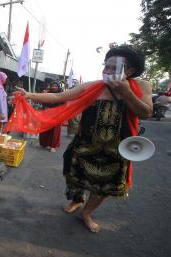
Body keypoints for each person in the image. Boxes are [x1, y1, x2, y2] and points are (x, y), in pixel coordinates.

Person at [12, 46, 152, 233]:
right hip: (85, 146)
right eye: (106, 66)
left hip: (117, 150)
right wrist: (28, 95)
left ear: (130, 71)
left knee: (104, 188)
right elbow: (58, 96)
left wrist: (126, 93)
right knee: (76, 177)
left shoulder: (141, 87)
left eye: (113, 68)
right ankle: (77, 200)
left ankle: (86, 213)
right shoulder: (93, 86)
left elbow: (146, 112)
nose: (107, 71)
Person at [38, 81, 63, 152]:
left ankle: (53, 146)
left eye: (56, 86)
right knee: (45, 129)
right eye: (53, 86)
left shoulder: (62, 94)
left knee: (55, 131)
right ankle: (45, 144)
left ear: (59, 87)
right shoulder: (47, 94)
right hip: (47, 115)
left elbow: (64, 104)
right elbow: (42, 101)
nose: (54, 87)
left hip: (57, 116)